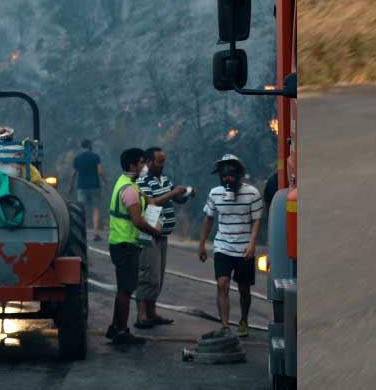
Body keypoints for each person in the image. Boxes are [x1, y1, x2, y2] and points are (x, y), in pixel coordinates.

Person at [198, 153, 264, 337]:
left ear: (239, 175)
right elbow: (209, 218)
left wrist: (252, 244)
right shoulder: (215, 193)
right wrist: (202, 244)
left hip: (244, 248)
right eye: (224, 175)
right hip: (223, 246)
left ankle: (243, 320)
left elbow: (257, 220)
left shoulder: (252, 193)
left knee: (244, 288)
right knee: (222, 284)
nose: (228, 179)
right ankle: (225, 326)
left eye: (231, 175)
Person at [104, 147, 163, 345]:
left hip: (119, 243)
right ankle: (122, 332)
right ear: (132, 165)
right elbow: (137, 221)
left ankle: (115, 328)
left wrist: (147, 198)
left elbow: (139, 197)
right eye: (141, 163)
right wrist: (155, 232)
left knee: (123, 288)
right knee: (126, 290)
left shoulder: (124, 183)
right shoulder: (129, 189)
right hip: (126, 244)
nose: (144, 166)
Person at [131, 146, 192, 330]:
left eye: (163, 161)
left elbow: (174, 198)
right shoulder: (142, 181)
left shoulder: (163, 178)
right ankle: (142, 315)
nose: (163, 165)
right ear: (149, 162)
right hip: (149, 234)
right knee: (147, 274)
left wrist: (185, 194)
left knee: (157, 277)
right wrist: (173, 193)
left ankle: (152, 313)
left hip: (162, 235)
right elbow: (151, 202)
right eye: (160, 161)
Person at [70, 139, 106, 236]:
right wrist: (105, 182)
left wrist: (70, 186)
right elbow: (100, 171)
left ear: (81, 146)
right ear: (90, 146)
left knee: (81, 209)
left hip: (82, 187)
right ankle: (96, 232)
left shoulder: (77, 158)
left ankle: (82, 231)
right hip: (95, 186)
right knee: (96, 208)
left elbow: (73, 174)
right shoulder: (95, 157)